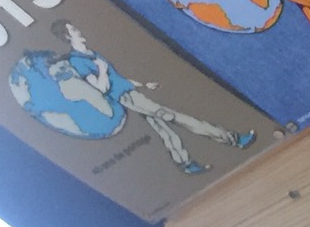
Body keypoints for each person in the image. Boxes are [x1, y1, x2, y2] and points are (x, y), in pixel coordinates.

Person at [54, 20, 255, 175]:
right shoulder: (78, 61)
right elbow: (101, 88)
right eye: (73, 30)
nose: (78, 31)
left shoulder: (91, 53)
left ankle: (185, 164)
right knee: (177, 117)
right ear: (67, 36)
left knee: (163, 128)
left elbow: (118, 79)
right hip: (127, 98)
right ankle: (233, 139)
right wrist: (102, 70)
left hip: (131, 92)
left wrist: (142, 84)